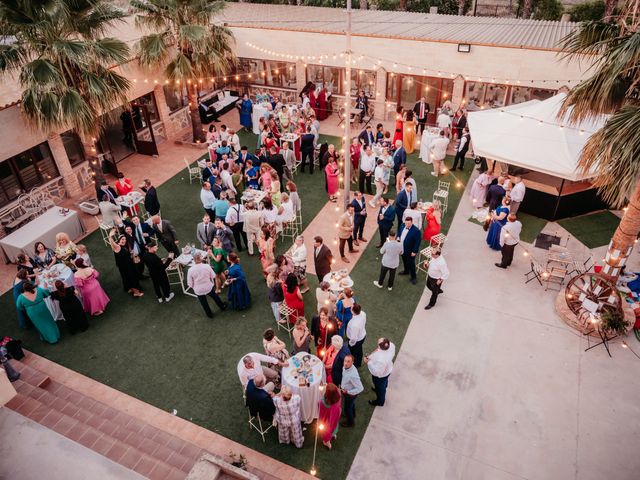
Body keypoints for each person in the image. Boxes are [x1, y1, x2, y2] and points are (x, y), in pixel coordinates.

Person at [186, 253, 228, 318]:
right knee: (215, 296)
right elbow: (213, 276)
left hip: (198, 290)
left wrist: (194, 287)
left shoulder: (190, 270)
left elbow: (190, 284)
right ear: (201, 258)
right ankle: (222, 306)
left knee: (203, 303)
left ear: (194, 260)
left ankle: (209, 314)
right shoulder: (207, 266)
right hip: (208, 286)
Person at [108, 229, 144, 297]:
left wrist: (131, 254)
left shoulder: (123, 247)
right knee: (132, 277)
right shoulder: (117, 247)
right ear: (119, 240)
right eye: (122, 239)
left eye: (125, 239)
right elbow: (112, 243)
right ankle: (136, 292)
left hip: (127, 266)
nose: (124, 241)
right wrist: (110, 236)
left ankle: (130, 288)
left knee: (126, 277)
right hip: (126, 267)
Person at [366, 338, 395, 407]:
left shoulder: (381, 359)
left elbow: (377, 372)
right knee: (384, 382)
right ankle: (381, 387)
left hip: (381, 376)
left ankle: (380, 401)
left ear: (380, 346)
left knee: (380, 388)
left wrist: (368, 362)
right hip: (388, 370)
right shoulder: (391, 345)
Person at [340, 355, 364, 428]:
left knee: (348, 408)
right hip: (346, 392)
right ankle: (353, 414)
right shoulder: (345, 367)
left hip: (350, 395)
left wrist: (348, 392)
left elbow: (360, 388)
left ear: (352, 362)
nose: (345, 363)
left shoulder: (353, 375)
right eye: (345, 361)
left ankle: (350, 422)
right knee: (351, 405)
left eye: (348, 361)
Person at [398, 217, 421, 285]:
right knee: (404, 260)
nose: (407, 225)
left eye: (409, 223)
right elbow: (399, 233)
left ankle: (413, 277)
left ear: (412, 222)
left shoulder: (416, 231)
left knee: (411, 264)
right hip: (402, 249)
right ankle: (406, 271)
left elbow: (417, 242)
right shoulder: (402, 225)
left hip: (410, 251)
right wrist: (398, 238)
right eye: (406, 223)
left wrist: (414, 251)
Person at [318, 383, 342, 449]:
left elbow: (320, 409)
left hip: (327, 421)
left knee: (326, 431)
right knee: (334, 426)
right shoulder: (339, 396)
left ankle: (327, 443)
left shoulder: (323, 403)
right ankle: (334, 435)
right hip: (335, 417)